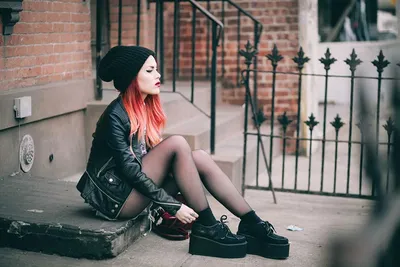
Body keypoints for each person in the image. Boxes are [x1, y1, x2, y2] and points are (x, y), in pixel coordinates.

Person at [76, 45, 290, 259]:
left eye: (156, 69)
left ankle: (252, 224)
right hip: (117, 199)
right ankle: (208, 227)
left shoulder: (143, 108)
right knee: (177, 143)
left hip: (133, 189)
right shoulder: (115, 115)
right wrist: (173, 205)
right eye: (149, 71)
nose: (157, 75)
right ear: (131, 77)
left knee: (199, 157)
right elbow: (130, 170)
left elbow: (147, 162)